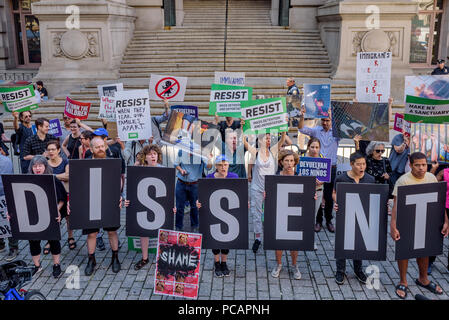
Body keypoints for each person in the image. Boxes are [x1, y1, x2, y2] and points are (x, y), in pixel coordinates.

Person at [390, 152, 449, 299]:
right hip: (407, 220)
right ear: (410, 165)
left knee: (425, 250)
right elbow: (396, 206)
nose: (421, 168)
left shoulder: (431, 177)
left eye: (424, 165)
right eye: (417, 165)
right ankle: (403, 281)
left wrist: (446, 221)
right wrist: (393, 225)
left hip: (426, 219)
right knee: (404, 250)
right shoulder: (403, 181)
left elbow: (439, 202)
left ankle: (423, 279)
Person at [124, 144, 176, 270]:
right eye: (150, 154)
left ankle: (163, 257)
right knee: (144, 231)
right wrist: (127, 199)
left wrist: (172, 205)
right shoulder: (139, 170)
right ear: (145, 157)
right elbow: (130, 187)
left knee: (163, 230)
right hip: (143, 203)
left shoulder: (164, 170)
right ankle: (145, 257)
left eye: (155, 154)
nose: (153, 156)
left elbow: (170, 190)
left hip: (160, 204)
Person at [76, 136, 121, 276]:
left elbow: (119, 181)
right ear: (91, 149)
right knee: (92, 233)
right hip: (91, 202)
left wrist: (119, 196)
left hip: (109, 201)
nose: (101, 149)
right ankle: (91, 259)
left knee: (112, 231)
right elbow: (79, 185)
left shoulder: (113, 162)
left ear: (105, 146)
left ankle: (115, 257)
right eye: (97, 147)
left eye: (102, 146)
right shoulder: (84, 164)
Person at [19, 156, 66, 278]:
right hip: (32, 216)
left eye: (40, 165)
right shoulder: (26, 180)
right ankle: (37, 266)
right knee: (33, 241)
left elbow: (62, 198)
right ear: (31, 168)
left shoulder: (53, 179)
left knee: (53, 240)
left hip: (50, 216)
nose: (37, 168)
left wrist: (57, 209)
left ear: (45, 166)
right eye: (35, 166)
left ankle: (56, 265)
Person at [332, 152, 372, 285]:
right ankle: (340, 270)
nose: (362, 167)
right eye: (358, 164)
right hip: (345, 215)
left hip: (362, 216)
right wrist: (336, 202)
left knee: (359, 242)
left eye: (364, 164)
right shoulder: (342, 178)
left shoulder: (370, 180)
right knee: (342, 242)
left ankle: (358, 270)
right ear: (351, 164)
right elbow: (334, 193)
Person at [298, 108, 339, 233]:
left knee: (328, 196)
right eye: (323, 120)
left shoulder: (337, 132)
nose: (325, 123)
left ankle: (329, 220)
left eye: (327, 120)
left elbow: (351, 130)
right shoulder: (316, 131)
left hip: (331, 168)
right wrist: (302, 116)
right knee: (317, 194)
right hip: (317, 166)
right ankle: (318, 220)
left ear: (332, 121)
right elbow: (301, 128)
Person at [244, 129, 286, 253]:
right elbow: (244, 143)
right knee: (256, 214)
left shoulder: (272, 151)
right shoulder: (255, 152)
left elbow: (282, 139)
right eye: (265, 138)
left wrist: (284, 127)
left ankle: (271, 235)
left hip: (270, 189)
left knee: (271, 213)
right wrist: (249, 173)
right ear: (259, 140)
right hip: (257, 187)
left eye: (269, 138)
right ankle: (258, 238)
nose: (268, 140)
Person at [196, 155, 238, 277]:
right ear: (216, 166)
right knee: (214, 237)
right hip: (213, 211)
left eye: (225, 164)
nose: (223, 167)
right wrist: (198, 202)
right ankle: (216, 262)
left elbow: (239, 193)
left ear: (228, 165)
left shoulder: (234, 177)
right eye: (220, 165)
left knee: (226, 237)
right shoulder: (209, 178)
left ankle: (224, 262)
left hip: (229, 212)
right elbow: (202, 195)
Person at [270, 150, 303, 280]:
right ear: (281, 162)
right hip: (279, 211)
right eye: (286, 161)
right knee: (279, 241)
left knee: (294, 241)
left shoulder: (300, 177)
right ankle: (278, 264)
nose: (289, 163)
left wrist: (311, 195)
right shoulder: (275, 177)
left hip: (295, 212)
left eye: (291, 161)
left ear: (295, 162)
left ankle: (294, 265)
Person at [174, 147, 213, 232]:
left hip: (195, 184)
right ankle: (178, 226)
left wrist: (209, 159)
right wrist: (181, 170)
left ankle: (195, 226)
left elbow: (208, 167)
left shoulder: (201, 154)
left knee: (194, 207)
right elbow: (175, 164)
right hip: (181, 183)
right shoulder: (181, 151)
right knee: (179, 207)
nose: (189, 152)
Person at [46, 140, 76, 251]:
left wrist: (52, 176)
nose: (51, 151)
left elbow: (68, 176)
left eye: (53, 149)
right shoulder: (45, 163)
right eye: (49, 149)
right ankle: (51, 240)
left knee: (69, 217)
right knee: (52, 217)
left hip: (66, 193)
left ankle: (70, 237)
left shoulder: (65, 162)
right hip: (51, 195)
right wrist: (60, 176)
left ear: (59, 150)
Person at [428, 162, 449, 273]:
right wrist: (433, 168)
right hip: (444, 209)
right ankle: (429, 262)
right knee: (437, 236)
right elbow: (431, 183)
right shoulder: (444, 172)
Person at [304, 137, 325, 250]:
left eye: (317, 147)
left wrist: (322, 181)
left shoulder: (323, 159)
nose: (314, 149)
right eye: (312, 147)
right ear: (308, 147)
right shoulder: (302, 158)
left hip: (318, 191)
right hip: (304, 191)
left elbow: (326, 177)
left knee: (312, 216)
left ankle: (311, 240)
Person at [0, 148, 19, 261]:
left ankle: (13, 247)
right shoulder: (6, 160)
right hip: (6, 193)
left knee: (9, 221)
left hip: (4, 194)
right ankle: (3, 244)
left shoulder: (5, 161)